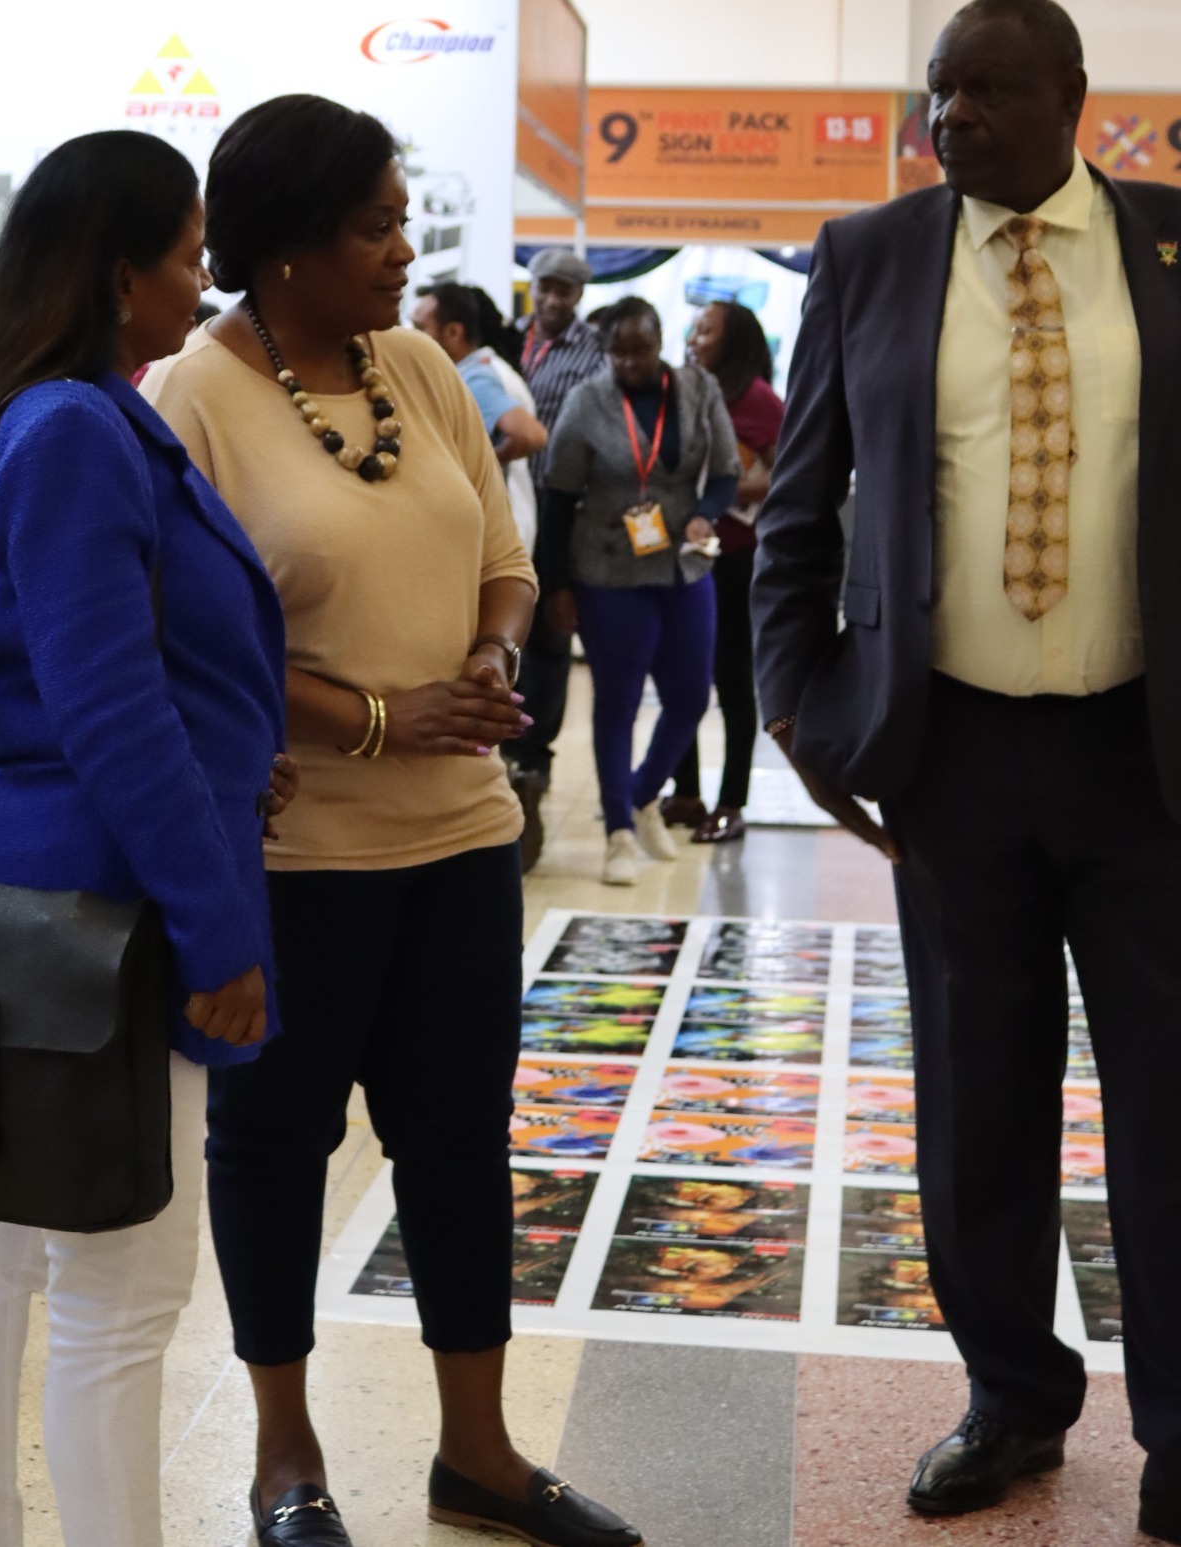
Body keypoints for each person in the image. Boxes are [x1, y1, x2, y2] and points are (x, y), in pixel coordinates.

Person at [143, 94, 641, 1547]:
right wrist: (376, 718)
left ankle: (477, 1450)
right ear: (286, 245)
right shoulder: (193, 399)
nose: (404, 250)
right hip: (297, 859)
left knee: (460, 1141)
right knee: (274, 1147)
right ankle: (283, 1458)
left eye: (401, 219)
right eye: (375, 225)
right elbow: (190, 649)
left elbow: (503, 554)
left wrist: (487, 657)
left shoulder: (419, 367)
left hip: (460, 842)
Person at [751, 1, 1181, 1537]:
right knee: (978, 1096)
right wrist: (794, 705)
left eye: (989, 90)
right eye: (939, 93)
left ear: (1074, 96)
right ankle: (1012, 1395)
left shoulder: (1169, 240)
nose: (954, 118)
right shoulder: (868, 255)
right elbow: (800, 499)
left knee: (1169, 1104)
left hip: (1149, 757)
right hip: (955, 755)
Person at [0, 130, 294, 1547]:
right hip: (103, 907)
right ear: (119, 274)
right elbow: (110, 705)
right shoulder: (75, 427)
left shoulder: (67, 413)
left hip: (40, 893)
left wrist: (240, 758)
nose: (203, 285)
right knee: (119, 1291)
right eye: (186, 258)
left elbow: (132, 679)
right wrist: (219, 930)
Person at [542, 298, 741, 887]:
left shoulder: (698, 389)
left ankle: (641, 794)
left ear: (660, 343)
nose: (630, 362)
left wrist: (705, 514)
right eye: (619, 352)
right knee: (618, 701)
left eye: (641, 350)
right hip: (608, 569)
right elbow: (557, 498)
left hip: (683, 564)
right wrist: (557, 585)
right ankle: (618, 834)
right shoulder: (587, 401)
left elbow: (726, 471)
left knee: (690, 697)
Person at [665, 302, 786, 843]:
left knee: (733, 680)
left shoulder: (758, 399)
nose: (694, 339)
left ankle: (731, 803)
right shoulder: (683, 390)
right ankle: (686, 793)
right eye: (693, 330)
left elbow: (788, 474)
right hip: (685, 555)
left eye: (705, 331)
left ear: (732, 340)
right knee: (681, 674)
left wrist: (724, 491)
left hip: (736, 559)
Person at [502, 248, 606, 866]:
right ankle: (503, 749)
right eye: (545, 286)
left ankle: (534, 760)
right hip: (506, 502)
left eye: (564, 290)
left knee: (549, 630)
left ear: (579, 295)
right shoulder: (509, 340)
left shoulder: (595, 353)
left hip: (560, 505)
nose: (552, 299)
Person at [412, 281, 547, 552]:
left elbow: (531, 435)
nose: (411, 337)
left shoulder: (475, 379)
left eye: (420, 328)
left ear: (453, 332)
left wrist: (473, 470)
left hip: (492, 534)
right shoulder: (481, 369)